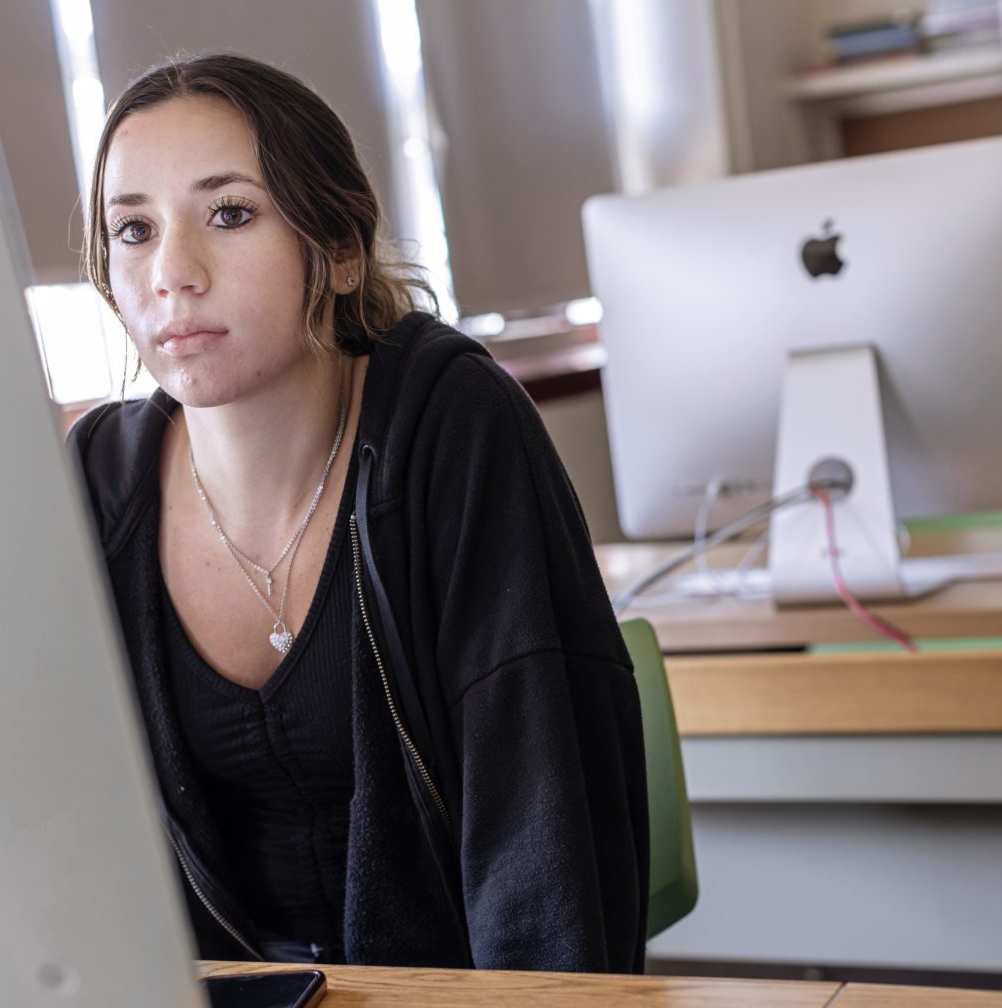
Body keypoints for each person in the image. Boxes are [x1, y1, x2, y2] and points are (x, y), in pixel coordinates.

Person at [66, 52, 648, 972]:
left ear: (338, 251)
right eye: (132, 230)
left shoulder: (449, 425)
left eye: (229, 213)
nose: (171, 272)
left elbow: (539, 839)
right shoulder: (99, 482)